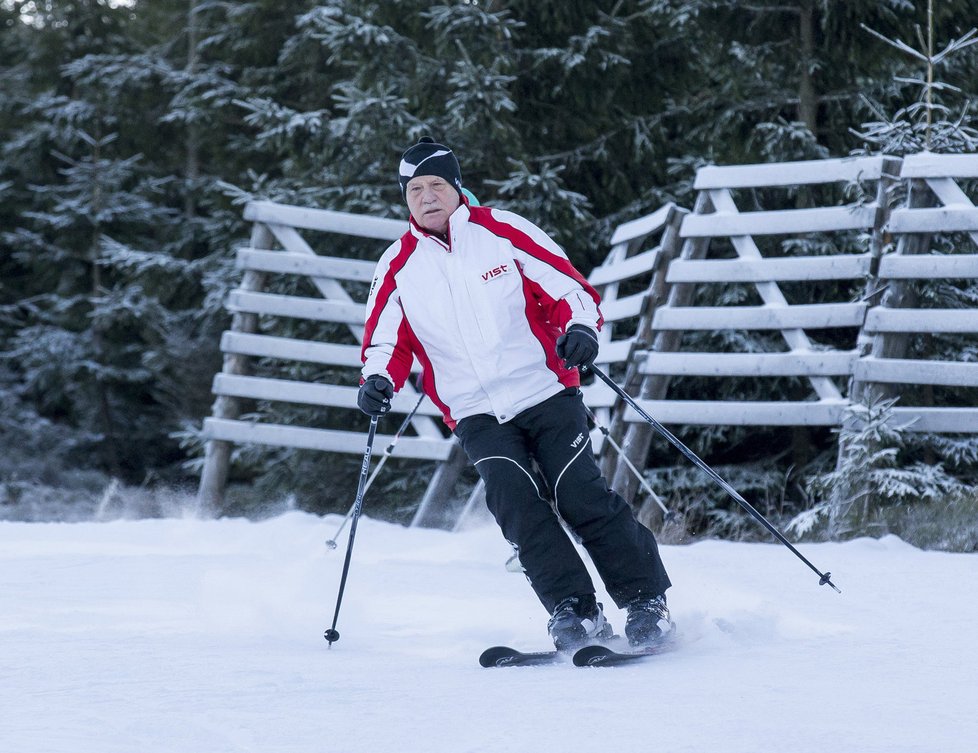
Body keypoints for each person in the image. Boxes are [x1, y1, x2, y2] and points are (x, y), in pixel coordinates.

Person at [357, 136, 673, 650]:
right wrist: (378, 380)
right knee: (518, 508)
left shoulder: (501, 231)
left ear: (457, 188)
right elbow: (384, 340)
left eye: (437, 183)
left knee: (578, 493)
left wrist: (581, 328)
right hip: (475, 412)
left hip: (545, 390)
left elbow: (568, 287)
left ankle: (645, 602)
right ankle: (574, 610)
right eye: (415, 189)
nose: (427, 196)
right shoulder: (397, 265)